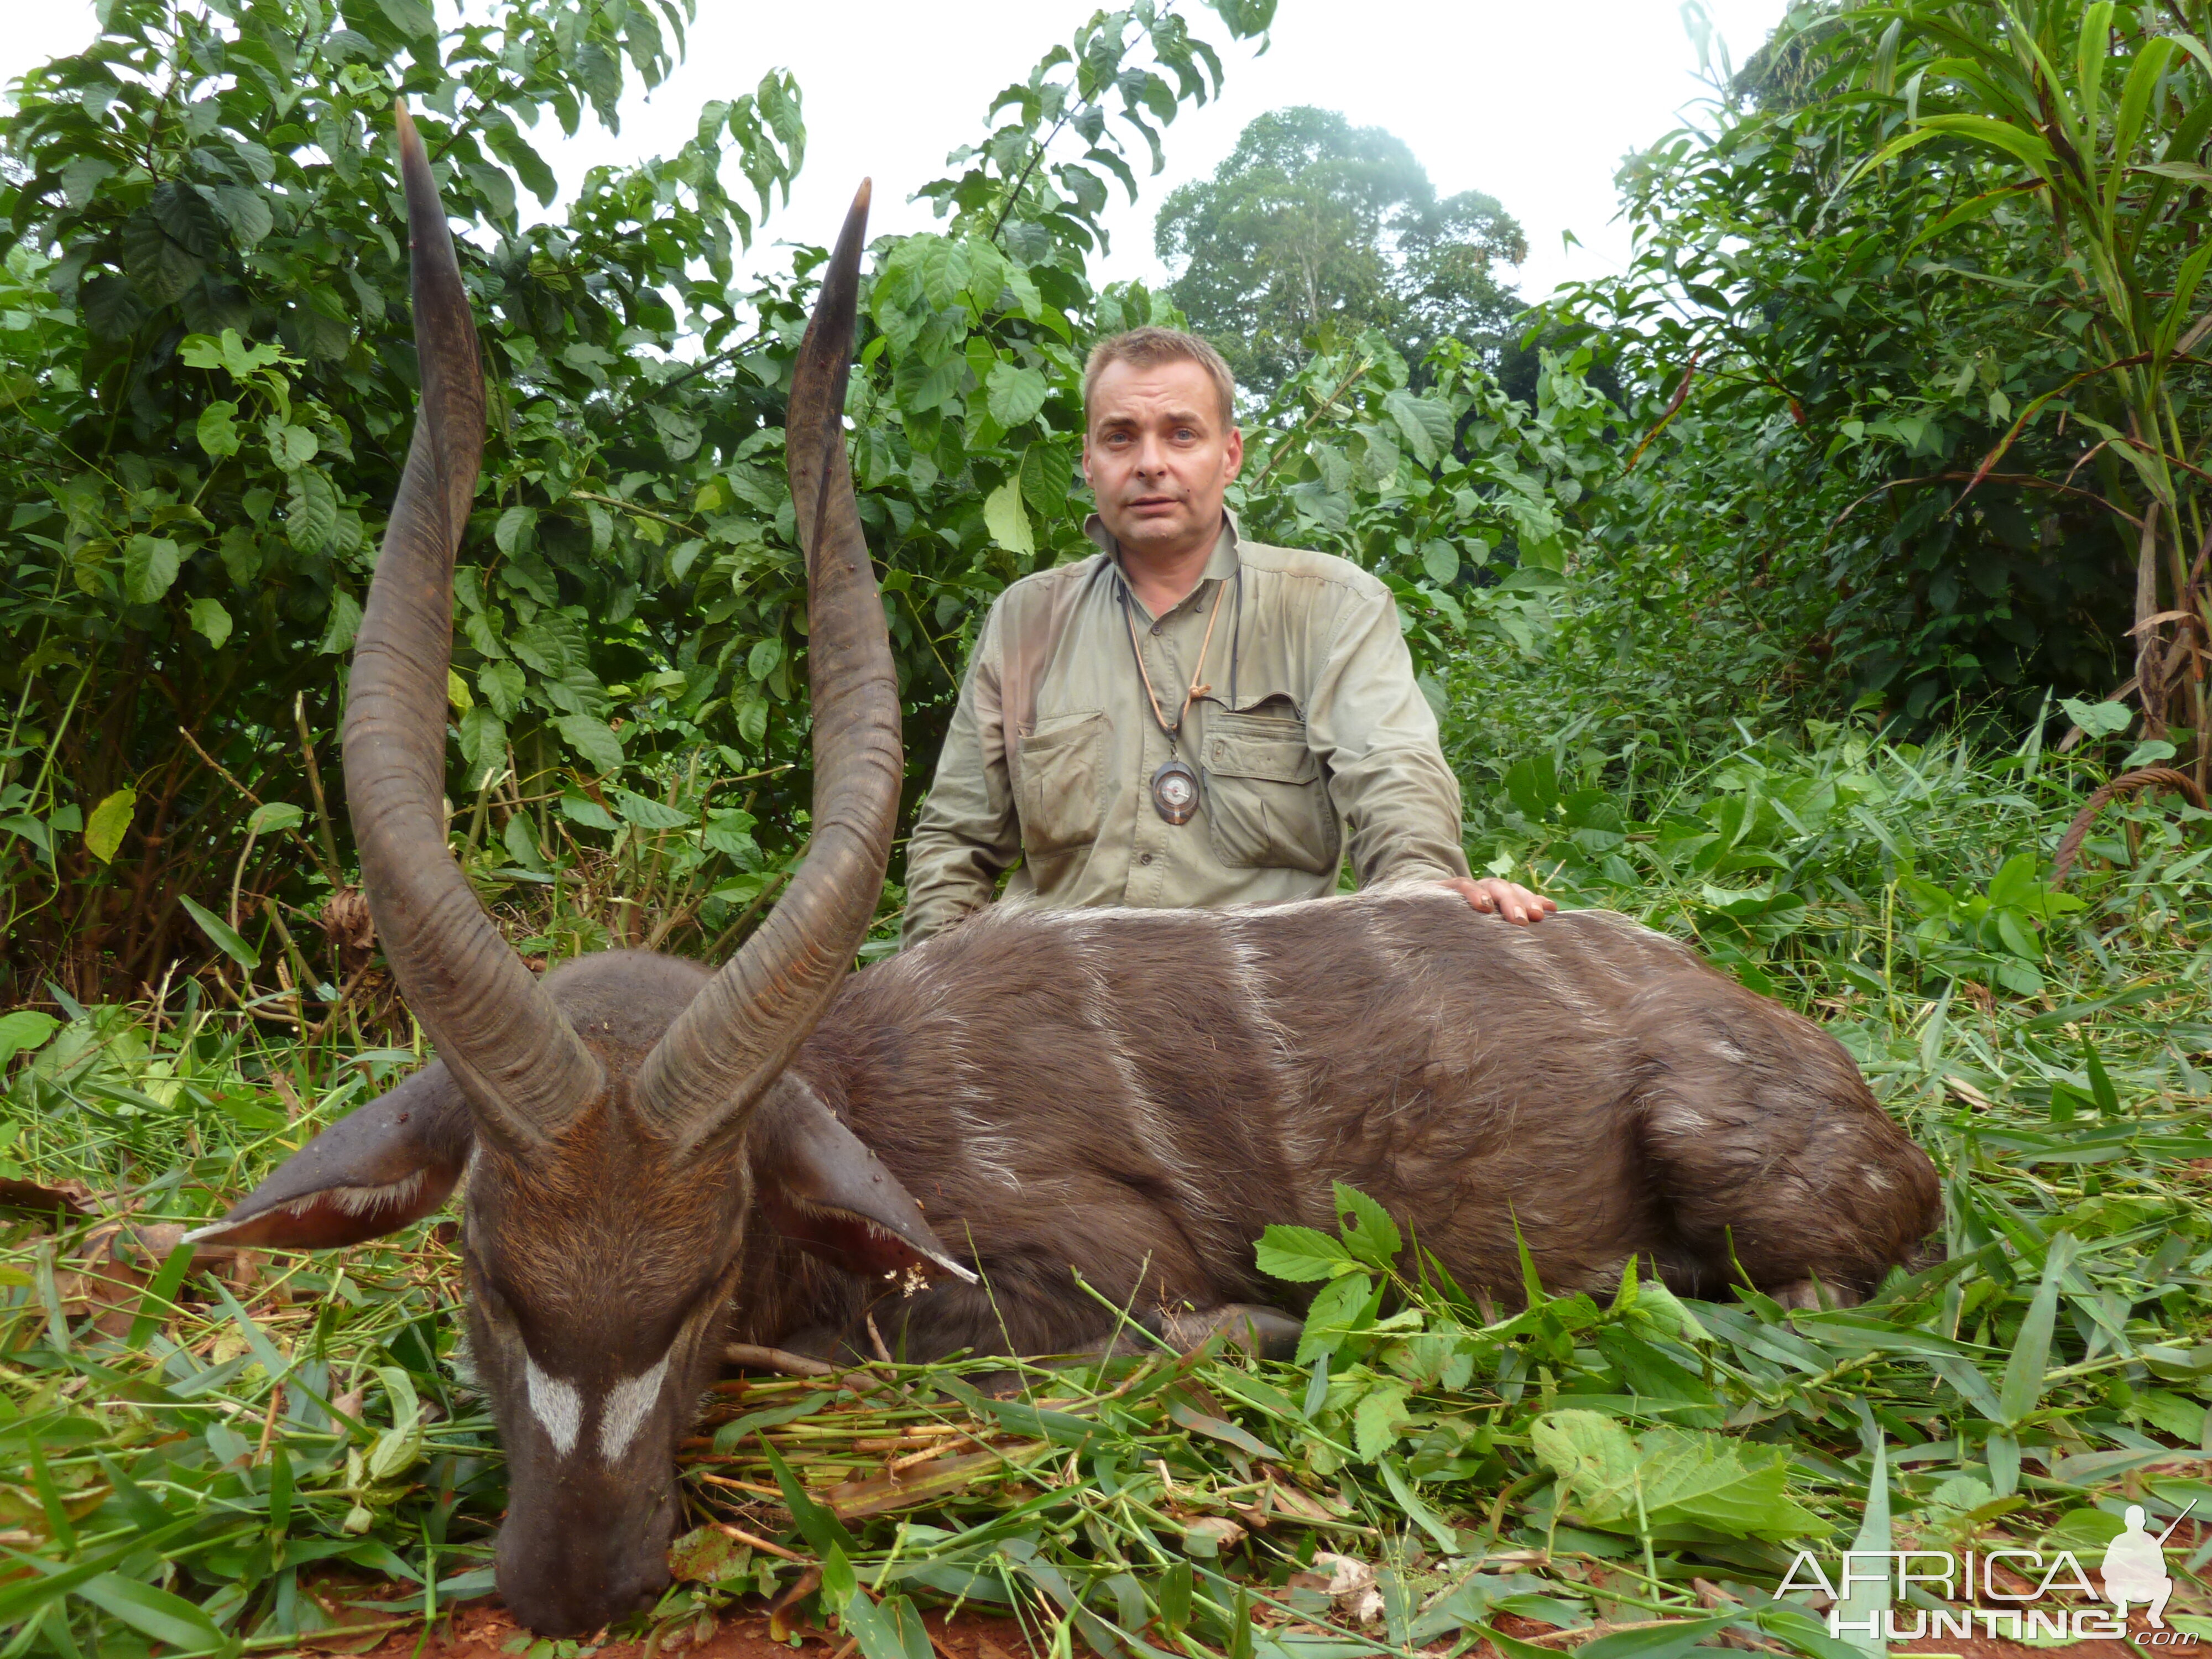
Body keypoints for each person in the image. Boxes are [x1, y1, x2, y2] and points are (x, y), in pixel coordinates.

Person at [900, 325, 1553, 946]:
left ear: (1229, 454)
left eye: (1181, 434)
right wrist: (932, 994)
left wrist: (1423, 895)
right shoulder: (1028, 618)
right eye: (1120, 438)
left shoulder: (1331, 607)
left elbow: (1393, 777)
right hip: (1062, 1009)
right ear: (1090, 462)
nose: (1150, 464)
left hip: (1270, 1004)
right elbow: (956, 842)